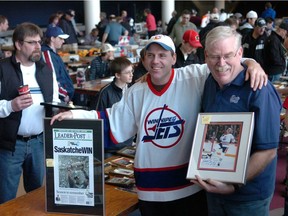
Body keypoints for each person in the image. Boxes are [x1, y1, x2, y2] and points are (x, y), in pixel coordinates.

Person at [51, 34, 267, 216]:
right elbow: (111, 121)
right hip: (149, 190)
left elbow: (223, 61)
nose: (156, 61)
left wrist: (252, 63)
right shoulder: (137, 90)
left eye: (163, 55)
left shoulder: (192, 76)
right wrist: (76, 115)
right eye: (151, 56)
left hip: (189, 188)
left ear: (174, 58)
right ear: (143, 60)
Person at [192, 26, 281, 216]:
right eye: (215, 56)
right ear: (206, 55)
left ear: (240, 53)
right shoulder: (209, 82)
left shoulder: (259, 89)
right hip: (213, 189)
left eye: (228, 55)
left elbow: (268, 151)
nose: (221, 63)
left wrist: (233, 184)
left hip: (247, 197)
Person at [0, 22, 60, 204]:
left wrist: (60, 109)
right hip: (10, 146)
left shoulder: (45, 69)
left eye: (39, 42)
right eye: (32, 42)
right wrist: (11, 105)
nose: (37, 47)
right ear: (18, 44)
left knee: (36, 197)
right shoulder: (2, 69)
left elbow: (55, 99)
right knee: (6, 197)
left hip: (38, 143)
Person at [96, 57, 134, 158]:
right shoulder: (105, 92)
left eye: (132, 71)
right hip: (111, 146)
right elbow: (98, 119)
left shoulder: (133, 90)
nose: (131, 75)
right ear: (117, 75)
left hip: (129, 143)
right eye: (127, 72)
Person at [42, 26, 75, 103]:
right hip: (59, 99)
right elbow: (52, 79)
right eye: (60, 38)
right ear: (52, 38)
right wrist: (64, 95)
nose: (63, 41)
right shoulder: (47, 54)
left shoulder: (53, 53)